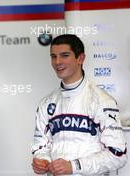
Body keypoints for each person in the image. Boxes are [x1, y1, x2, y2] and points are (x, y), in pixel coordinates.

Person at [31, 34, 127, 175]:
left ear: (80, 58)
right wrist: (42, 161)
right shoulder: (46, 104)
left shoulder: (102, 101)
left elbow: (118, 155)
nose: (57, 62)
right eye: (53, 56)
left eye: (64, 55)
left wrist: (74, 166)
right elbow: (40, 148)